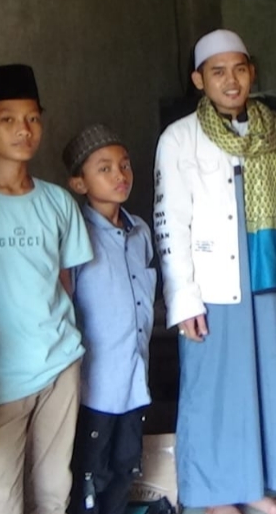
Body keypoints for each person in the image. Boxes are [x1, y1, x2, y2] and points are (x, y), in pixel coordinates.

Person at [154, 29, 276, 514]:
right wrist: (184, 298)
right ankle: (214, 496)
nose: (231, 80)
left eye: (239, 69)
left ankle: (256, 487)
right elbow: (170, 222)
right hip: (212, 282)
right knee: (213, 388)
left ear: (252, 73)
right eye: (218, 72)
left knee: (266, 384)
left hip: (266, 272)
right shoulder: (179, 137)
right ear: (198, 80)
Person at [0, 64, 93, 514]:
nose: (24, 130)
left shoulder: (57, 201)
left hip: (59, 365)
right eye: (7, 119)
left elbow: (65, 283)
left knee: (52, 492)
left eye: (32, 118)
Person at [61, 125, 157, 514]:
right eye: (105, 168)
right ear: (79, 183)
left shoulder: (140, 231)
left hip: (134, 380)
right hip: (95, 387)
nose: (120, 175)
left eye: (124, 165)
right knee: (90, 477)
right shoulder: (75, 235)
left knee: (124, 470)